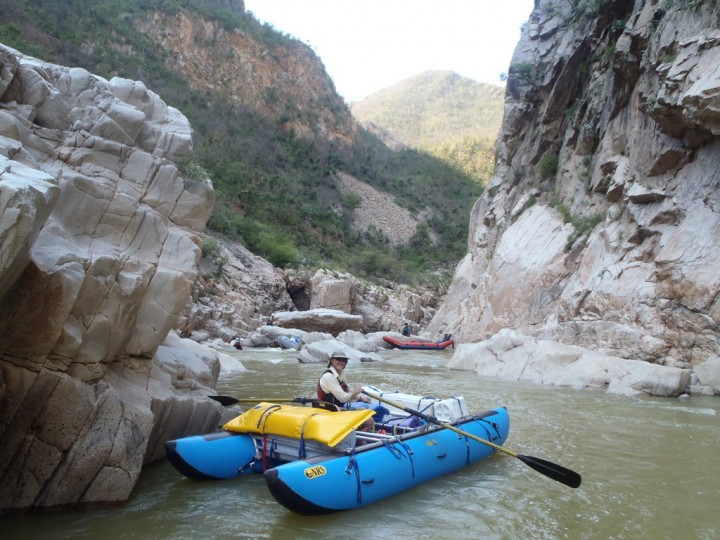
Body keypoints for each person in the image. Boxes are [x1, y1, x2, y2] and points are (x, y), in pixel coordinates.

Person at [317, 351, 386, 429]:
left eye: (344, 360)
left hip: (340, 408)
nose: (341, 362)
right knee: (370, 421)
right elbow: (343, 398)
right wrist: (356, 391)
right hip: (332, 411)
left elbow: (348, 391)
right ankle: (360, 440)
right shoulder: (328, 377)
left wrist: (361, 399)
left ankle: (358, 432)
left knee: (366, 411)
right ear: (332, 361)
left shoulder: (341, 373)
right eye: (338, 359)